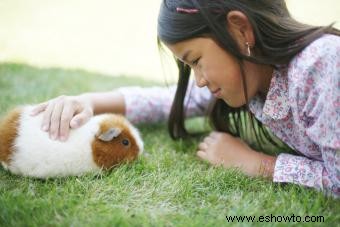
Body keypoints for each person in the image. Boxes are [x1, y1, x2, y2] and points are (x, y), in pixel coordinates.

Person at [31, 0, 340, 197]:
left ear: (240, 28)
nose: (200, 79)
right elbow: (163, 100)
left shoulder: (321, 65)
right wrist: (87, 102)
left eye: (196, 60)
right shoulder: (252, 77)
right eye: (189, 67)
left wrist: (256, 164)